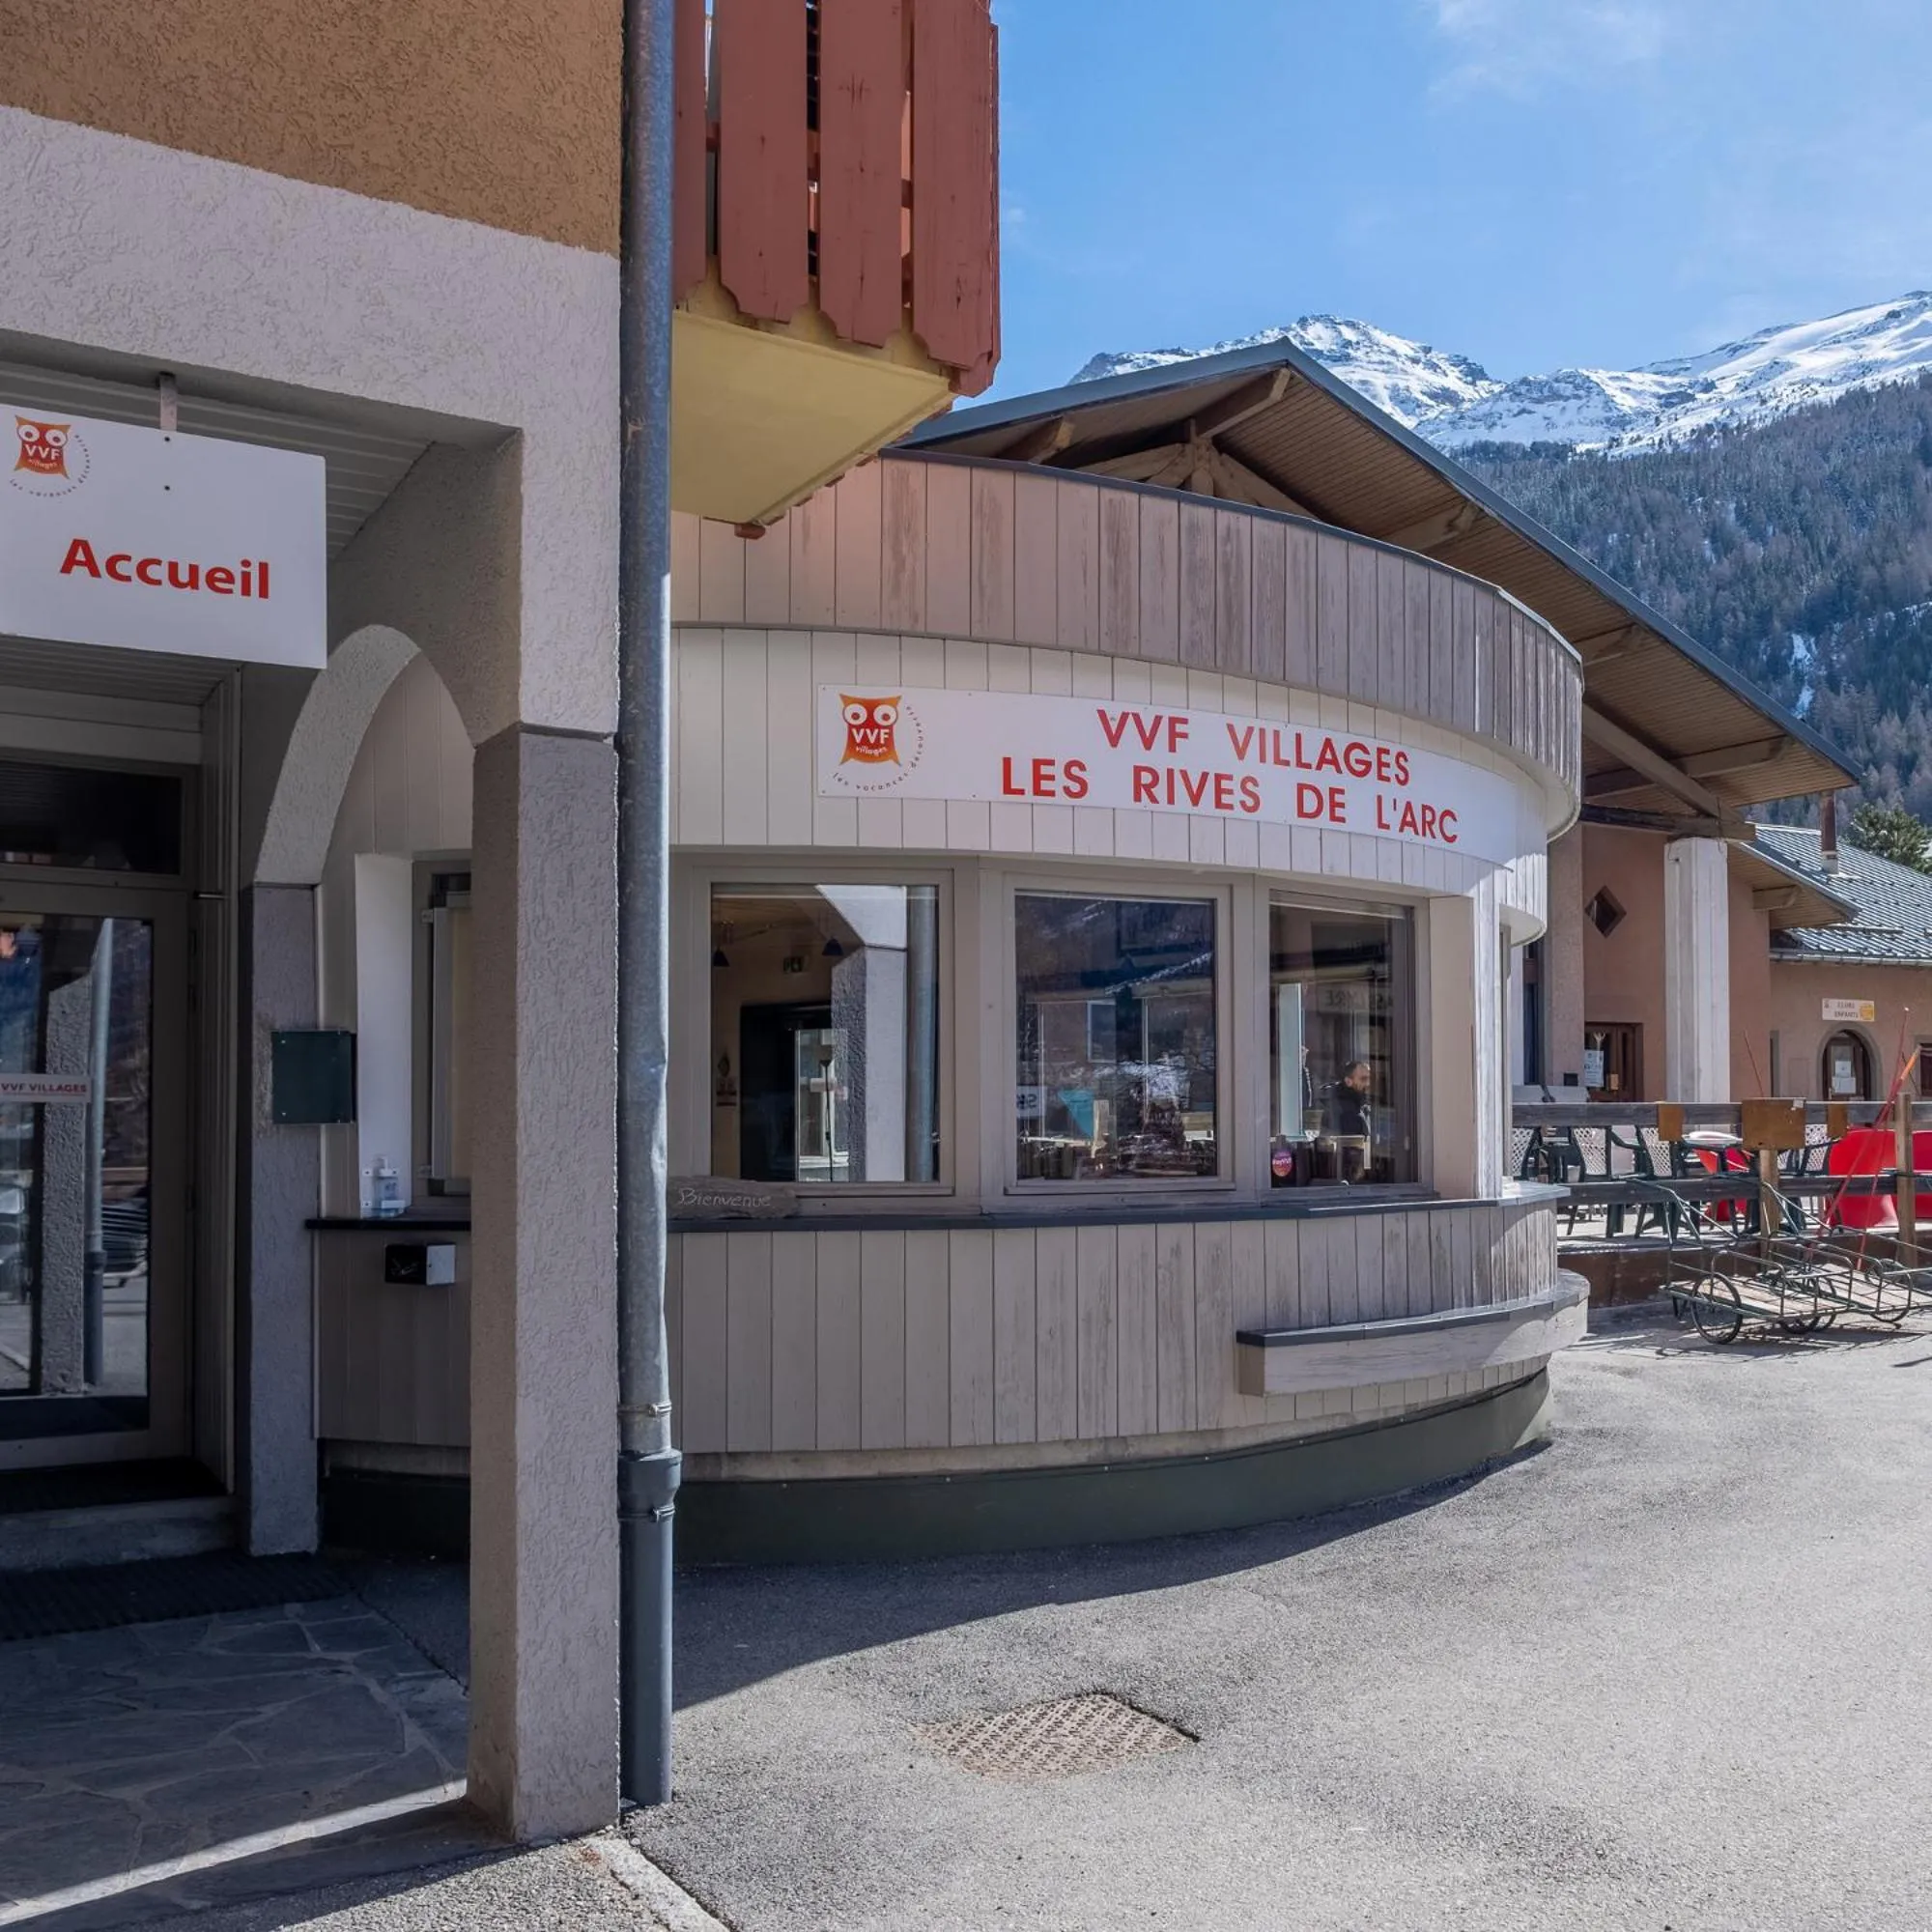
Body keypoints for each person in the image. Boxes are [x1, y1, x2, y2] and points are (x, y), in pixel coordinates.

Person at [1321, 1060, 1374, 1180]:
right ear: (1348, 1081)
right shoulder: (1338, 1107)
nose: (1368, 1083)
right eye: (1363, 1079)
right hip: (1344, 1176)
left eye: (1368, 1078)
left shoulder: (1361, 1105)